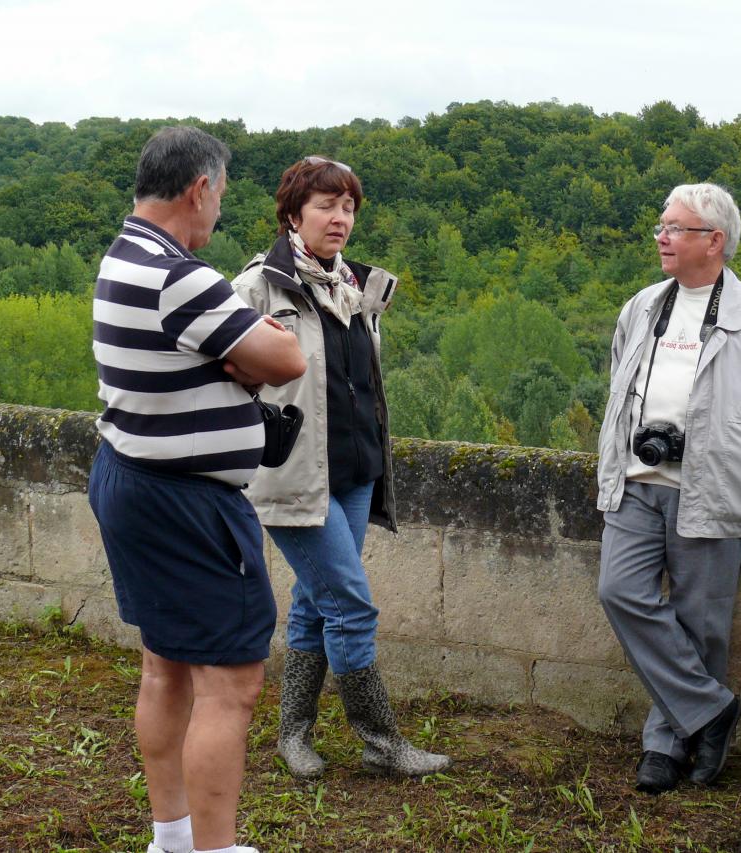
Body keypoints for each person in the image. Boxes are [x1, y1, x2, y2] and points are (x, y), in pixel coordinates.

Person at [88, 126, 306, 853]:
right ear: (199, 189)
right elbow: (286, 357)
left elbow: (223, 358)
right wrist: (252, 353)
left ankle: (173, 836)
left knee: (166, 664)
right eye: (220, 193)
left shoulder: (123, 256)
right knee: (233, 682)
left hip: (131, 477)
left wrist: (236, 361)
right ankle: (213, 848)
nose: (219, 210)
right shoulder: (179, 273)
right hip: (190, 503)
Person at [596, 183, 741, 793]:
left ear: (714, 241)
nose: (662, 237)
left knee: (702, 623)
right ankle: (713, 709)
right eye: (662, 226)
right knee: (620, 592)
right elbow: (620, 380)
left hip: (714, 489)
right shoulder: (642, 307)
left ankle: (668, 747)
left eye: (675, 228)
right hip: (638, 481)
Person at [231, 156, 451, 780]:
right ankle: (381, 742)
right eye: (327, 205)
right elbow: (221, 375)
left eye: (349, 206)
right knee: (351, 605)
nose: (340, 218)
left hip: (354, 472)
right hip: (293, 476)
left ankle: (293, 736)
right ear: (293, 214)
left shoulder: (353, 285)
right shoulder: (257, 288)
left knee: (315, 601)